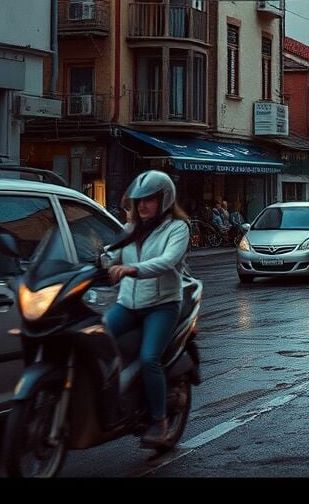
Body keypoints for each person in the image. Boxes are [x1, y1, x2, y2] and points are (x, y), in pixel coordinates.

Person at [102, 169, 192, 448]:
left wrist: (132, 269)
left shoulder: (178, 228)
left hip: (162, 306)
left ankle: (160, 421)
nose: (142, 206)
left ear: (164, 200)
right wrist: (99, 260)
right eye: (138, 200)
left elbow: (168, 261)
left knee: (149, 358)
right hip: (127, 304)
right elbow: (110, 253)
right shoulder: (130, 229)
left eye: (149, 200)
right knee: (96, 338)